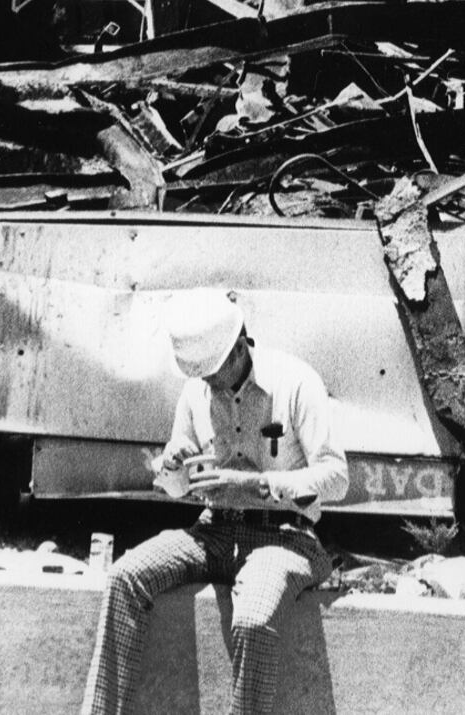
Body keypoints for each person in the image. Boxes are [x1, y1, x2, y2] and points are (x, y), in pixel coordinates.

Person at [81, 286, 348, 715]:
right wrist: (171, 470)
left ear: (240, 347)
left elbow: (337, 479)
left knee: (254, 621)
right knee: (124, 576)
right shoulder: (195, 393)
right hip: (213, 530)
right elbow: (177, 487)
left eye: (212, 370)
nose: (205, 381)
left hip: (285, 538)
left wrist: (260, 485)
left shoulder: (295, 382)